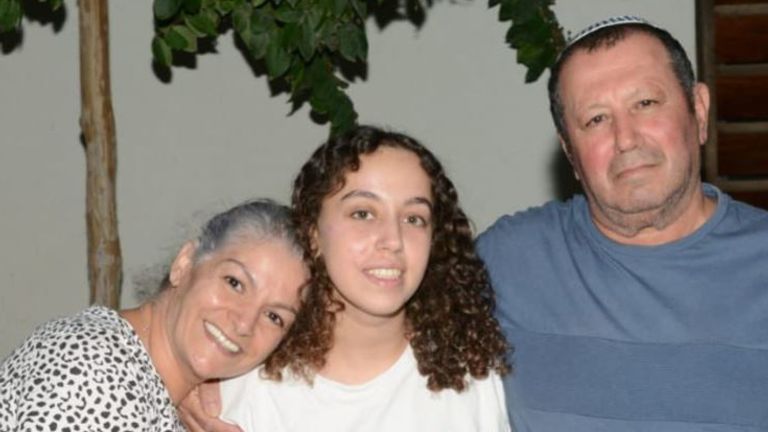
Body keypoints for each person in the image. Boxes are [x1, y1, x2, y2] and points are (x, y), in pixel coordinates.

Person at [477, 16, 768, 431]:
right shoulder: (509, 262)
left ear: (698, 111)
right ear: (570, 152)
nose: (626, 138)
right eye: (596, 119)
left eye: (645, 104)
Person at [181, 126, 511, 432]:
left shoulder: (470, 380)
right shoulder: (239, 386)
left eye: (414, 218)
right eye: (363, 213)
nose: (393, 240)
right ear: (313, 234)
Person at [0, 199, 309, 431]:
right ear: (184, 264)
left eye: (274, 317)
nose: (244, 323)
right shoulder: (95, 366)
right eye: (234, 283)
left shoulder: (157, 391)